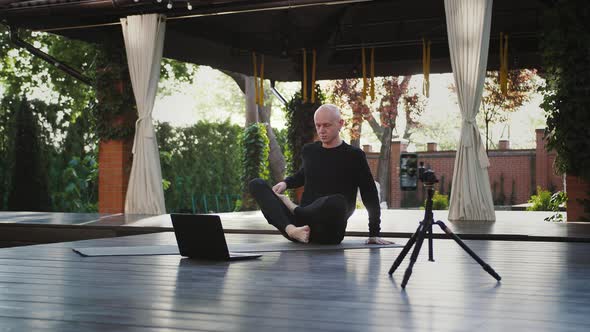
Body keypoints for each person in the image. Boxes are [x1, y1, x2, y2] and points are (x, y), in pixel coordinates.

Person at [249, 104, 393, 245]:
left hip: (328, 230)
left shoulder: (354, 156)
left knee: (337, 201)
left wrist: (374, 232)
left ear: (340, 123)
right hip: (300, 227)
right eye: (318, 126)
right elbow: (303, 175)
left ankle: (294, 209)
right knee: (257, 184)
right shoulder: (310, 151)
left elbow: (369, 193)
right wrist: (285, 183)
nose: (321, 130)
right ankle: (291, 229)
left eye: (326, 125)